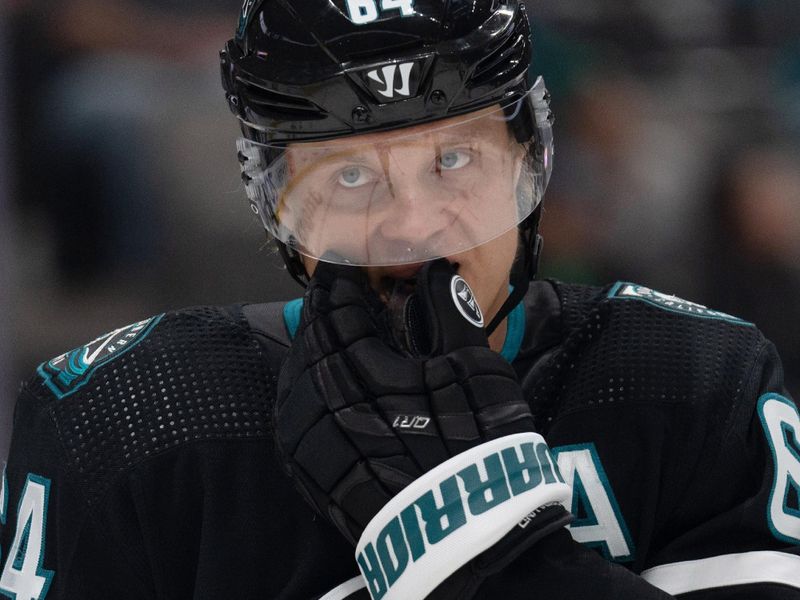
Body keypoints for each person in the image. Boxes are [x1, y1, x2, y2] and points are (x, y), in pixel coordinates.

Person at [1, 1, 799, 598]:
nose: (412, 225)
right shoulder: (128, 419)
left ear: (532, 162)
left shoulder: (694, 383)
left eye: (454, 160)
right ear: (279, 207)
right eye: (350, 176)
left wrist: (476, 550)